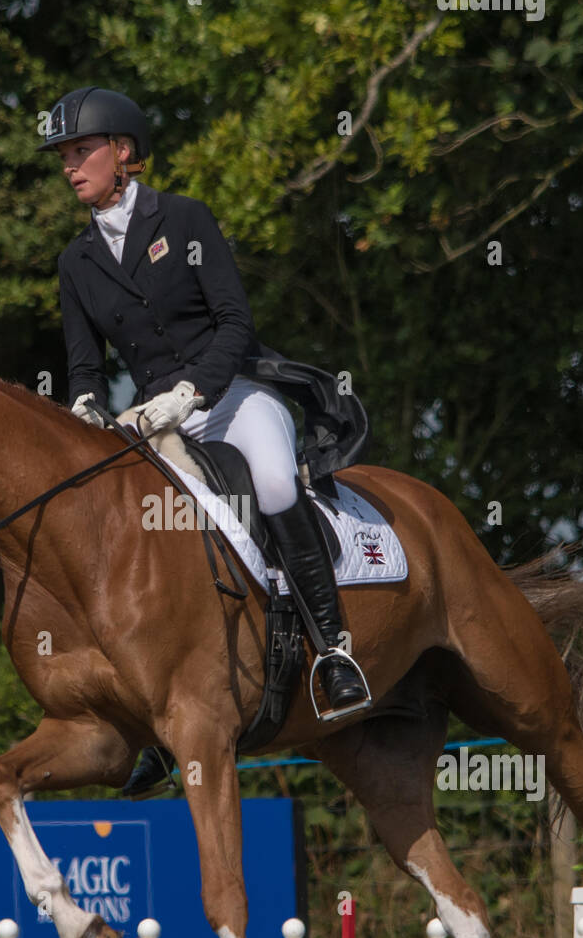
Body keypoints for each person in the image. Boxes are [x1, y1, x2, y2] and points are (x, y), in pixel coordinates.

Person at [40, 86, 371, 797]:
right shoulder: (76, 262)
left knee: (278, 483)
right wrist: (92, 407)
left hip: (232, 395)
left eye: (80, 152)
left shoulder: (184, 218)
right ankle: (158, 715)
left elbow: (234, 324)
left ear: (122, 152)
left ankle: (333, 652)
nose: (70, 168)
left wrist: (195, 392)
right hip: (152, 418)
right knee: (133, 533)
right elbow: (85, 366)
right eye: (64, 158)